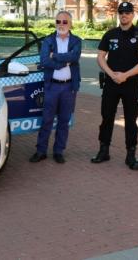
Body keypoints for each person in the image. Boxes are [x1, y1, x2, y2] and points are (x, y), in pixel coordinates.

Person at [91, 2, 138, 170]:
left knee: (131, 120)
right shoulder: (110, 34)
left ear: (133, 15)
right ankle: (104, 151)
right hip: (111, 83)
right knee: (107, 117)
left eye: (127, 12)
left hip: (131, 84)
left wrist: (125, 75)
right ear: (119, 14)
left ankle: (130, 154)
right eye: (122, 12)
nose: (124, 15)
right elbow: (101, 57)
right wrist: (111, 74)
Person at [30, 11, 82, 164]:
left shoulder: (76, 41)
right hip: (52, 86)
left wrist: (56, 56)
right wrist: (64, 62)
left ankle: (58, 151)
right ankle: (41, 151)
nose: (61, 24)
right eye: (58, 21)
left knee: (64, 121)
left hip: (68, 87)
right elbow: (45, 61)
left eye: (65, 22)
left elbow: (75, 57)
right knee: (46, 120)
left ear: (71, 23)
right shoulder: (49, 40)